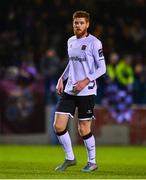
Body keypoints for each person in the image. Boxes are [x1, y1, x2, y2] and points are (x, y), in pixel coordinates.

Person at [53, 10, 106, 172]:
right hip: (70, 90)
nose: (78, 25)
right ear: (73, 23)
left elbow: (102, 68)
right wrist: (62, 78)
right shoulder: (70, 41)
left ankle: (92, 162)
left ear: (87, 24)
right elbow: (72, 63)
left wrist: (85, 81)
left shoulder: (94, 43)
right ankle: (70, 158)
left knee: (83, 129)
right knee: (58, 126)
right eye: (76, 22)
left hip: (87, 92)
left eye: (82, 23)